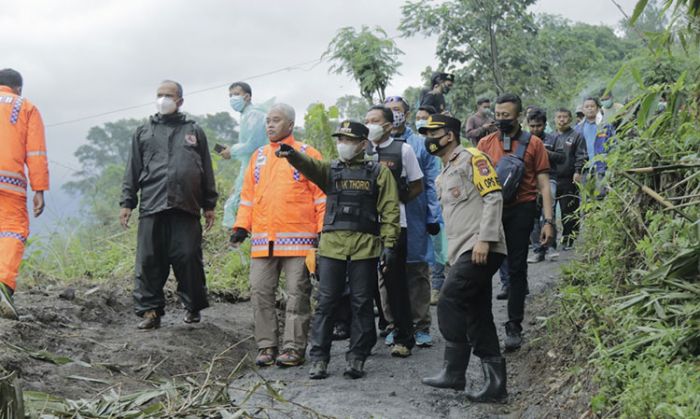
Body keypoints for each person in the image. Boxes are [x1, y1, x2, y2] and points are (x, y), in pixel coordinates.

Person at [276, 120, 400, 380]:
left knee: (362, 302)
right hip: (332, 247)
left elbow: (390, 211)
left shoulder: (378, 172)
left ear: (363, 144)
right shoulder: (330, 170)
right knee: (326, 303)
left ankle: (357, 357)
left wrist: (389, 244)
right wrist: (293, 155)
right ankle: (319, 358)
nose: (343, 144)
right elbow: (309, 165)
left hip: (365, 248)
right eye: (340, 139)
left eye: (349, 140)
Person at [419, 114, 508, 403]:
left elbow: (493, 196)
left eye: (434, 133)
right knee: (477, 314)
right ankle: (495, 386)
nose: (429, 139)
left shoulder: (473, 158)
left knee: (448, 300)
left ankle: (454, 371)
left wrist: (485, 238)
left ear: (449, 136)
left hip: (482, 245)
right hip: (463, 251)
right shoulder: (442, 173)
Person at [231, 103, 325, 368]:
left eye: (276, 120)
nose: (269, 125)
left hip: (299, 241)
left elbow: (321, 197)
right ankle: (267, 346)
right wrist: (241, 227)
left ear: (290, 125)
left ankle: (294, 348)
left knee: (298, 294)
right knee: (260, 291)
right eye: (268, 121)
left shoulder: (307, 153)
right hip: (263, 241)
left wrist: (322, 231)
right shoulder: (258, 156)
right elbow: (247, 198)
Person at [120, 80, 218, 330]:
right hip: (152, 205)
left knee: (187, 257)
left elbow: (206, 167)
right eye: (160, 95)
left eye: (169, 95)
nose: (163, 99)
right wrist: (127, 202)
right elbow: (132, 168)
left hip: (186, 206)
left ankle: (193, 305)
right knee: (149, 259)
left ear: (180, 101)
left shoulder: (194, 131)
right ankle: (150, 311)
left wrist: (209, 204)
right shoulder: (143, 131)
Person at [477, 93, 553, 351]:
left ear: (518, 116)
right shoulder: (485, 144)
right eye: (498, 115)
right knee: (484, 267)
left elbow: (543, 184)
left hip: (521, 210)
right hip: (491, 211)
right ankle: (482, 325)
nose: (501, 120)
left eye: (506, 116)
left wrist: (548, 221)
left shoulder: (534, 144)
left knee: (518, 268)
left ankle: (514, 326)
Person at [365, 105, 424, 357]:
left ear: (388, 125)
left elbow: (417, 184)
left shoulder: (403, 149)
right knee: (365, 282)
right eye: (366, 120)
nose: (369, 125)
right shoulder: (362, 149)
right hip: (365, 227)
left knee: (396, 281)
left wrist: (395, 204)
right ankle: (374, 332)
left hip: (395, 225)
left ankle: (404, 337)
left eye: (375, 121)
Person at [384, 96, 441, 348]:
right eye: (389, 111)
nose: (393, 115)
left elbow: (430, 181)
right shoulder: (374, 147)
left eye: (397, 110)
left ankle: (420, 325)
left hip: (416, 213)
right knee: (386, 268)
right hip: (385, 217)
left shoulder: (420, 144)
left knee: (417, 269)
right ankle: (393, 324)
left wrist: (433, 215)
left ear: (406, 114)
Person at [0, 69, 49, 320]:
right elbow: (36, 152)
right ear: (18, 88)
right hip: (9, 183)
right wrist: (39, 189)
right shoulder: (26, 107)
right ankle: (3, 287)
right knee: (12, 230)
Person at [219, 82, 269, 228]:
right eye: (230, 95)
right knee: (239, 201)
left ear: (247, 97)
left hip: (259, 166)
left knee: (243, 203)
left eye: (236, 94)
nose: (232, 99)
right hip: (250, 165)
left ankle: (237, 234)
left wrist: (232, 151)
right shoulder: (247, 116)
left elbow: (253, 144)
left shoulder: (255, 115)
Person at [416, 106, 448, 306]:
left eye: (424, 118)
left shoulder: (440, 147)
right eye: (418, 118)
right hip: (421, 204)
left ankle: (437, 286)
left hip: (438, 202)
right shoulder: (418, 146)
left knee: (437, 248)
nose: (420, 121)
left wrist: (435, 211)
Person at [526, 108, 565, 263]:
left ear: (545, 124)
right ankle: (537, 250)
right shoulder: (524, 140)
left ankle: (551, 247)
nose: (536, 129)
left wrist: (543, 152)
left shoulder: (553, 139)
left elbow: (562, 158)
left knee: (548, 213)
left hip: (550, 179)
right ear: (528, 125)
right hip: (530, 182)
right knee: (532, 216)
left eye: (539, 126)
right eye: (533, 126)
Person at [552, 108, 588, 249]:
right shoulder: (551, 136)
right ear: (555, 119)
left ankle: (569, 238)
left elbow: (582, 155)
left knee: (570, 209)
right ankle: (552, 240)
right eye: (559, 117)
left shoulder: (576, 136)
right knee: (551, 210)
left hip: (569, 177)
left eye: (565, 117)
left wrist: (578, 171)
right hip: (553, 178)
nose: (562, 119)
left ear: (570, 119)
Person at [575, 97, 613, 198]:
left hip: (602, 168)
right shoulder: (578, 129)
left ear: (597, 108)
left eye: (592, 106)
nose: (590, 109)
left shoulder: (606, 125)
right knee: (585, 198)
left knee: (602, 196)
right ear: (583, 110)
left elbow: (613, 145)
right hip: (585, 169)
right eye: (587, 107)